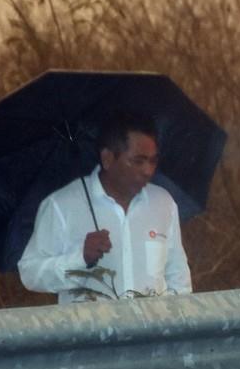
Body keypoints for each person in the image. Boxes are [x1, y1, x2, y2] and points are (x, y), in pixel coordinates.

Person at [19, 111, 192, 302]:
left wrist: (169, 322)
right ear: (107, 158)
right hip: (89, 331)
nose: (148, 170)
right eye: (138, 161)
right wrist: (80, 258)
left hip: (152, 330)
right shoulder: (62, 206)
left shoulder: (163, 203)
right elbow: (30, 274)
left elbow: (179, 280)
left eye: (153, 161)